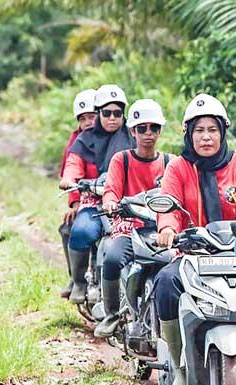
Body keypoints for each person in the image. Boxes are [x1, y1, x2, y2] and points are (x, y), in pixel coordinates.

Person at [153, 93, 236, 385]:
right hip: (193, 252)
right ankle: (179, 366)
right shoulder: (178, 167)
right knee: (164, 283)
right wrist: (168, 229)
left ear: (223, 132)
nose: (206, 137)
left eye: (212, 130)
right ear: (189, 134)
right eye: (199, 130)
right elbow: (168, 207)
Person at [93, 99, 172, 338]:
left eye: (154, 128)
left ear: (160, 130)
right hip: (130, 227)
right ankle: (112, 313)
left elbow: (179, 193)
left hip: (161, 229)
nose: (148, 134)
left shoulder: (171, 162)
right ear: (132, 131)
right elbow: (111, 188)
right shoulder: (122, 159)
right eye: (142, 128)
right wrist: (110, 201)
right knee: (113, 258)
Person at [62, 84, 135, 304]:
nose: (112, 118)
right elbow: (73, 163)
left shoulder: (134, 137)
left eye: (117, 113)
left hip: (125, 204)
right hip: (94, 202)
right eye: (106, 113)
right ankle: (79, 281)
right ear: (99, 114)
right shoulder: (84, 140)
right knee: (81, 231)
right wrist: (69, 179)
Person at [58, 88, 97, 299]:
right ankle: (76, 276)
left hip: (112, 200)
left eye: (92, 116)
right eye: (83, 119)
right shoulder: (76, 142)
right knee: (68, 227)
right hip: (86, 199)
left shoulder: (114, 138)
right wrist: (75, 204)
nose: (88, 122)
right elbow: (71, 171)